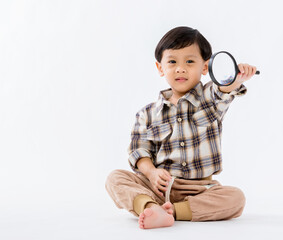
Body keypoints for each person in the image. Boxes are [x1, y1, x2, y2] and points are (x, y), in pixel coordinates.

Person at [105, 26, 258, 229]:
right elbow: (138, 150)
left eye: (190, 61)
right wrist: (151, 173)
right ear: (160, 68)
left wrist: (234, 80)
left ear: (205, 67)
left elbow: (223, 91)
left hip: (200, 189)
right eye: (172, 62)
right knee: (115, 178)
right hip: (158, 186)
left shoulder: (208, 99)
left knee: (236, 198)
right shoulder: (147, 113)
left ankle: (174, 211)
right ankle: (151, 206)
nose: (180, 68)